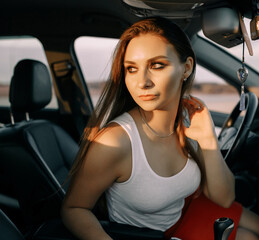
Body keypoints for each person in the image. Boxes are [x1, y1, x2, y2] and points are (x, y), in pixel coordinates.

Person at [61, 17, 259, 240]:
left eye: (156, 65)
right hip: (151, 235)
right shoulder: (114, 142)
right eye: (131, 69)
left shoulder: (190, 117)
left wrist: (208, 140)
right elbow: (74, 209)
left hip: (185, 210)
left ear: (186, 68)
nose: (142, 82)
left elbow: (224, 198)